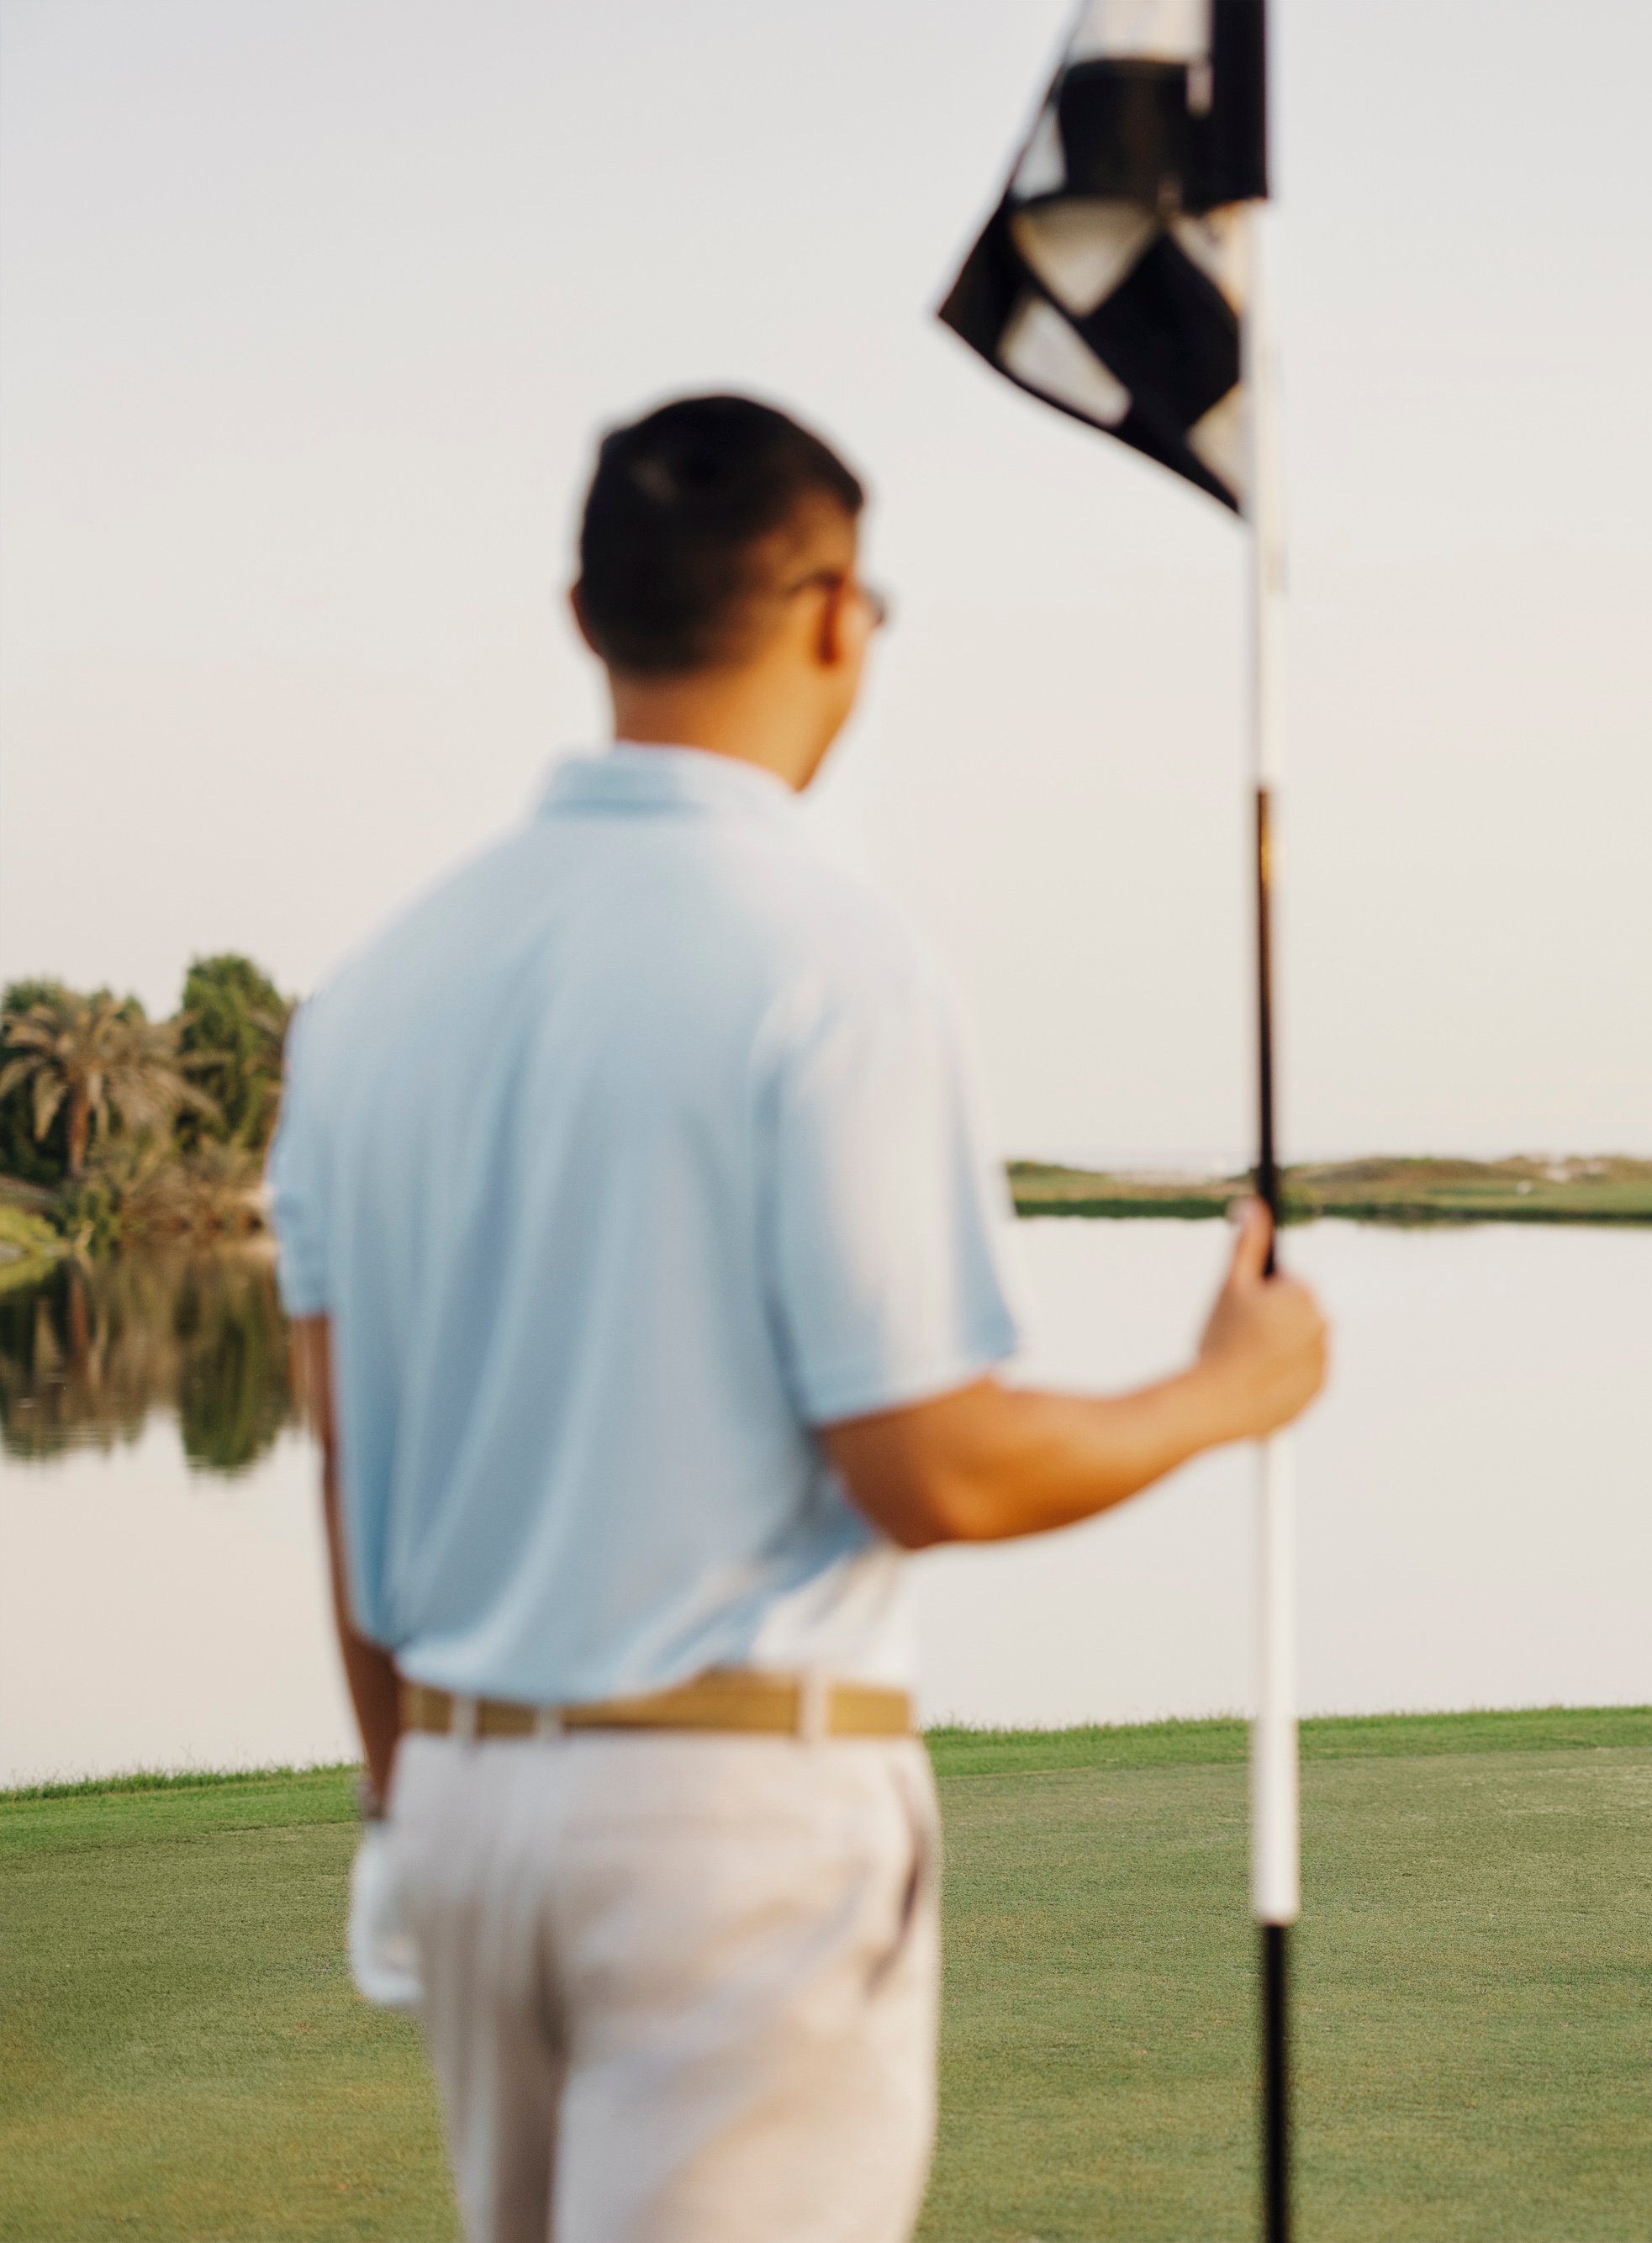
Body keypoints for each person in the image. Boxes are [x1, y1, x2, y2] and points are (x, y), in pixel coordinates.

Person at [270, 393, 1328, 2243]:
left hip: (457, 1807)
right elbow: (923, 1458)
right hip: (730, 1821)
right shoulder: (825, 954)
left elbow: (350, 1456)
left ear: (586, 615)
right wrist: (1219, 1390)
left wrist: (398, 1801)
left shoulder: (371, 993)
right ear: (837, 609)